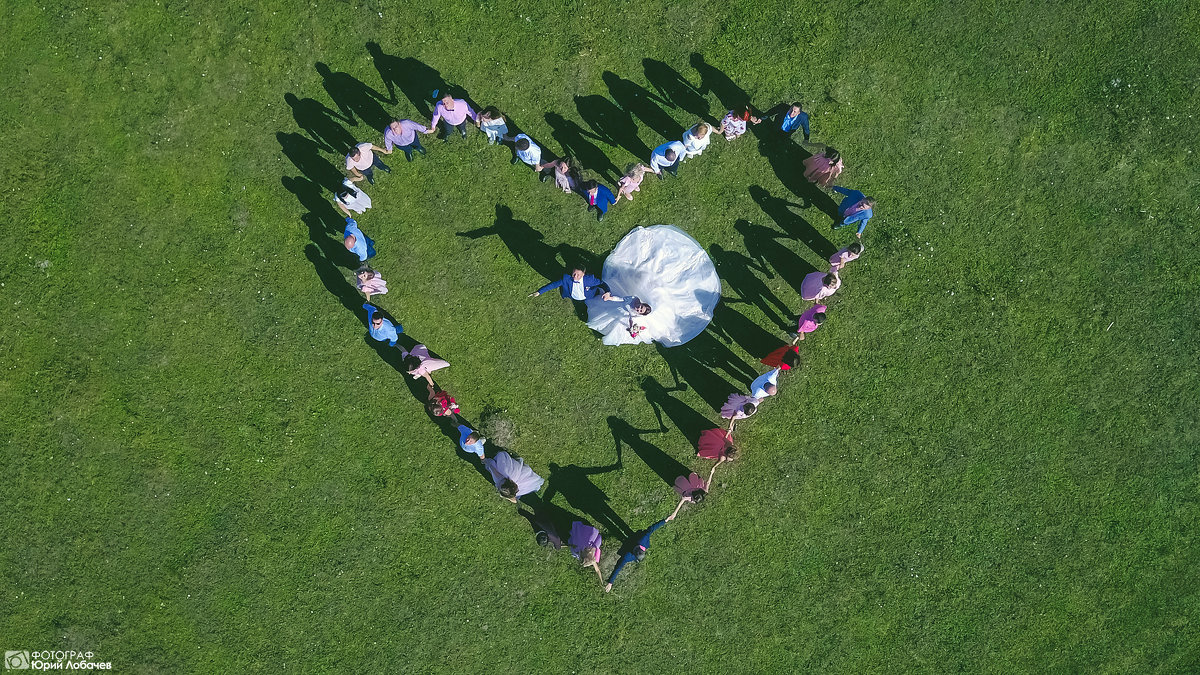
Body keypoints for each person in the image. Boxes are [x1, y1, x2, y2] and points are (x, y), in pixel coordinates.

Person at [584, 225, 722, 347]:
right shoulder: (633, 298)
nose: (638, 308)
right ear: (643, 304)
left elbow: (631, 317)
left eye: (640, 309)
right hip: (633, 301)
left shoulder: (636, 312)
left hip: (627, 313)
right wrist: (611, 299)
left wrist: (633, 328)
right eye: (641, 307)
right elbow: (621, 300)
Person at [604, 519, 668, 592]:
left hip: (632, 540)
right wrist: (610, 582)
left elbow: (652, 528)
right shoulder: (629, 554)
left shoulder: (641, 542)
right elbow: (618, 567)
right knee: (627, 533)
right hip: (632, 539)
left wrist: (610, 582)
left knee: (624, 534)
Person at [529, 267, 608, 301]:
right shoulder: (566, 279)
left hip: (589, 296)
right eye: (574, 274)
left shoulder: (590, 280)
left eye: (578, 275)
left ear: (583, 275)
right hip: (571, 296)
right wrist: (539, 292)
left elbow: (601, 283)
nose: (575, 277)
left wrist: (607, 291)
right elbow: (553, 285)